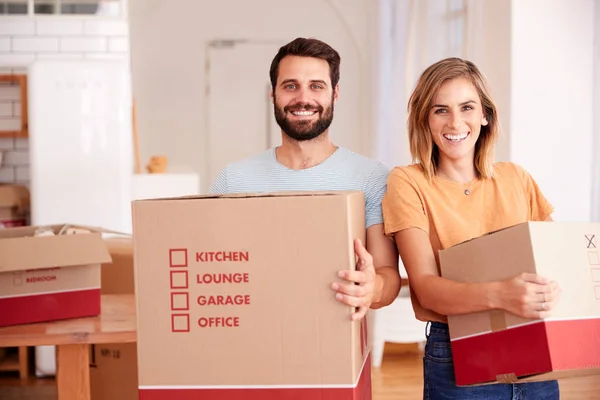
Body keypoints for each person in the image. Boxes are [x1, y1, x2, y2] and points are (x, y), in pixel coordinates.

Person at [382, 57, 562, 399]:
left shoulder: (516, 178)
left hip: (534, 351)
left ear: (485, 115)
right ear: (425, 119)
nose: (455, 122)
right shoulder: (408, 182)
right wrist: (503, 294)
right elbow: (427, 289)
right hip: (458, 354)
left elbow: (555, 259)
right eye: (440, 110)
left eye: (467, 107)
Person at [209, 37, 401, 320]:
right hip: (249, 341)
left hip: (336, 347)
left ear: (334, 94)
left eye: (316, 86)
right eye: (290, 86)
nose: (303, 98)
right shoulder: (232, 181)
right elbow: (213, 269)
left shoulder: (371, 178)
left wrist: (372, 289)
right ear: (272, 94)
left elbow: (388, 276)